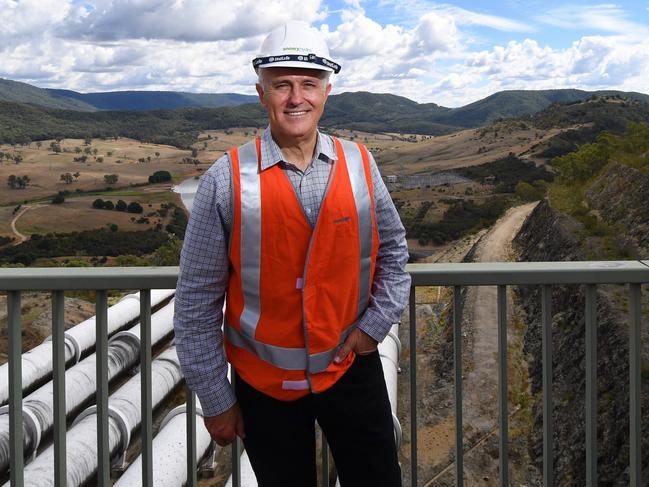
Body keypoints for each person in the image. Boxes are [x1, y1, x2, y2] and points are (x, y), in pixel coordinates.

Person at [174, 20, 410, 487]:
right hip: (265, 389)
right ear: (261, 94)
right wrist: (216, 399)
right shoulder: (225, 179)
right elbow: (196, 300)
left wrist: (372, 329)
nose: (296, 97)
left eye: (309, 83)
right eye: (281, 85)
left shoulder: (361, 163)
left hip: (351, 371)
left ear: (326, 92)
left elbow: (395, 256)